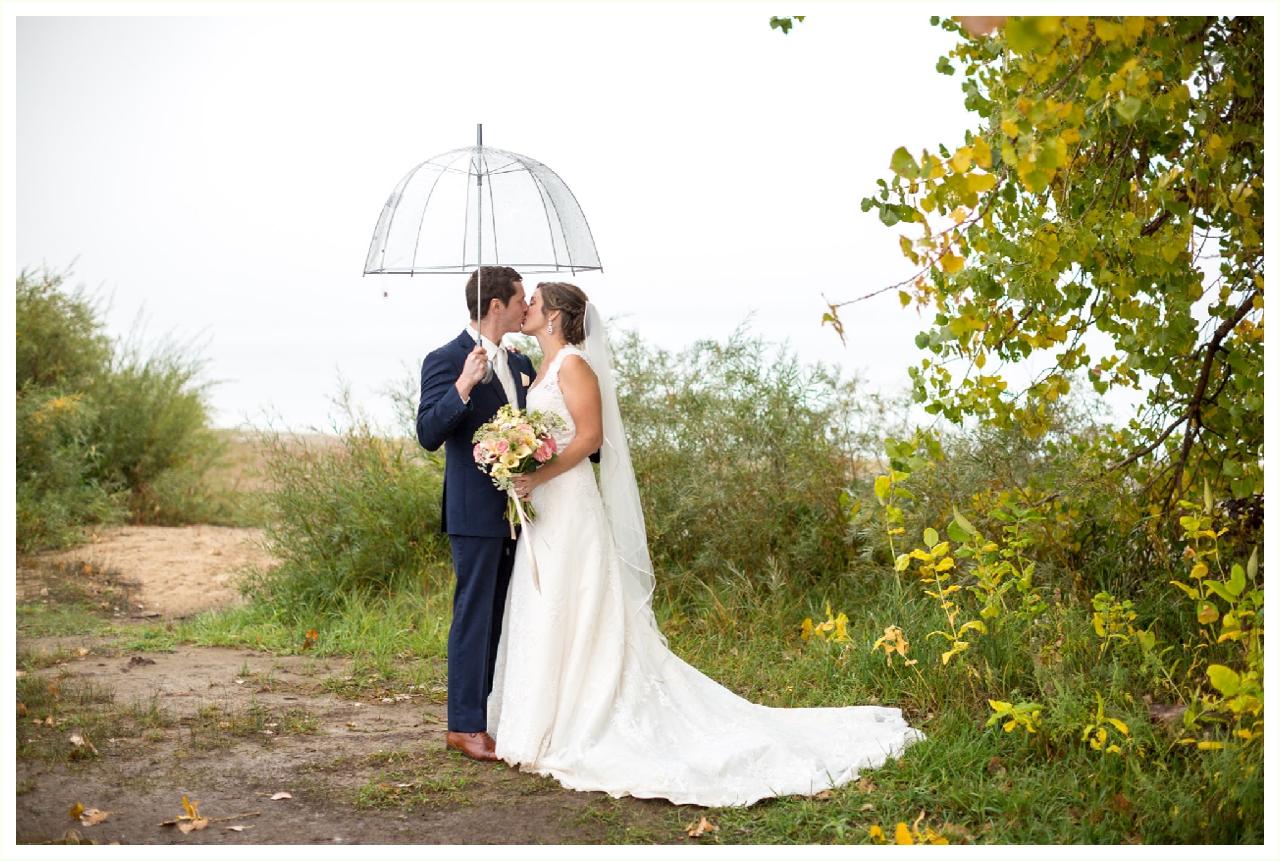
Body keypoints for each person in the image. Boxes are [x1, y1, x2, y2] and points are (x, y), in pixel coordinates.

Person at [490, 282, 924, 807]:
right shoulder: (537, 368)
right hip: (547, 506)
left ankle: (581, 717)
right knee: (550, 602)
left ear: (555, 315)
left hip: (570, 503)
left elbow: (589, 438)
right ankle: (545, 717)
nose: (527, 305)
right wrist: (519, 462)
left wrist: (539, 475)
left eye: (535, 300)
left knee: (575, 605)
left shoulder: (574, 367)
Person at [417, 266, 535, 762]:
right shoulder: (444, 359)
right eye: (519, 300)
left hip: (522, 511)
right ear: (495, 306)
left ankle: (495, 714)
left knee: (506, 618)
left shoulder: (522, 362)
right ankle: (464, 726)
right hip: (474, 512)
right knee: (473, 617)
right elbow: (428, 434)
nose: (525, 308)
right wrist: (464, 384)